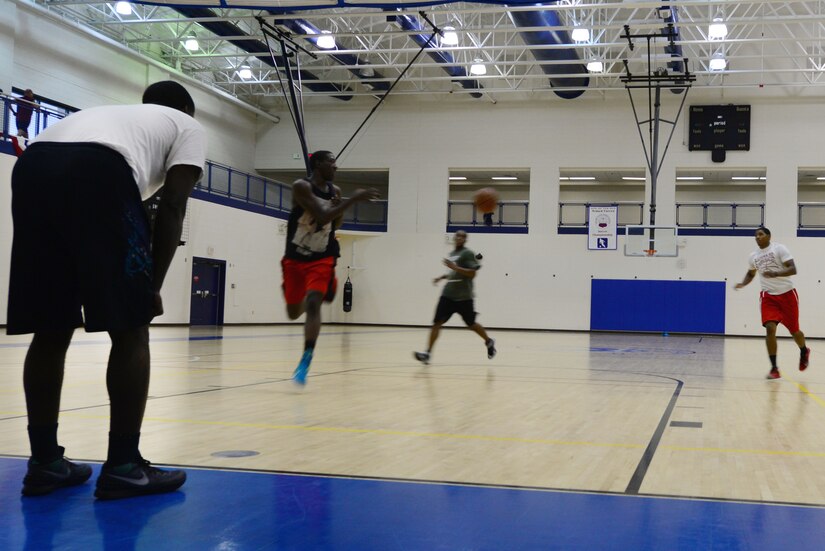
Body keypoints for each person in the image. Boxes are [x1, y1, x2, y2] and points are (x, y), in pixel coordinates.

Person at [7, 81, 206, 499]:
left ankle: (45, 463)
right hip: (98, 169)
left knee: (51, 326)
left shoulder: (112, 117)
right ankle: (124, 467)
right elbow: (172, 206)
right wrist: (150, 287)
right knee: (131, 327)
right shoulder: (186, 124)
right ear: (188, 108)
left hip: (32, 166)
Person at [282, 150, 379, 385]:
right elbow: (322, 216)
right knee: (293, 313)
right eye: (331, 162)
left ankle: (306, 357)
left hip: (322, 256)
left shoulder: (335, 191)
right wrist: (353, 200)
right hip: (296, 256)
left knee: (315, 302)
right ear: (317, 164)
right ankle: (320, 291)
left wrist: (341, 206)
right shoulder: (301, 186)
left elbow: (335, 223)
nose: (336, 167)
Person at [734, 226, 810, 380]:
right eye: (755, 235)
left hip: (787, 295)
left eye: (760, 234)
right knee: (770, 328)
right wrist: (743, 283)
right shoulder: (753, 256)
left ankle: (803, 350)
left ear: (769, 236)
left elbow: (793, 269)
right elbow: (751, 273)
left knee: (795, 331)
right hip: (768, 296)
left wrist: (775, 273)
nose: (757, 237)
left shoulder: (779, 249)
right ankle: (774, 368)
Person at [414, 230, 496, 365]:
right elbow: (453, 272)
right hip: (448, 295)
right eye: (457, 235)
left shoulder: (467, 253)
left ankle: (488, 341)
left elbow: (472, 274)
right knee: (437, 323)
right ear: (454, 238)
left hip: (464, 297)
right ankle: (427, 353)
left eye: (462, 236)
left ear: (465, 239)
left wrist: (454, 267)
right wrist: (441, 277)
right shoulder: (452, 254)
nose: (459, 238)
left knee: (471, 324)